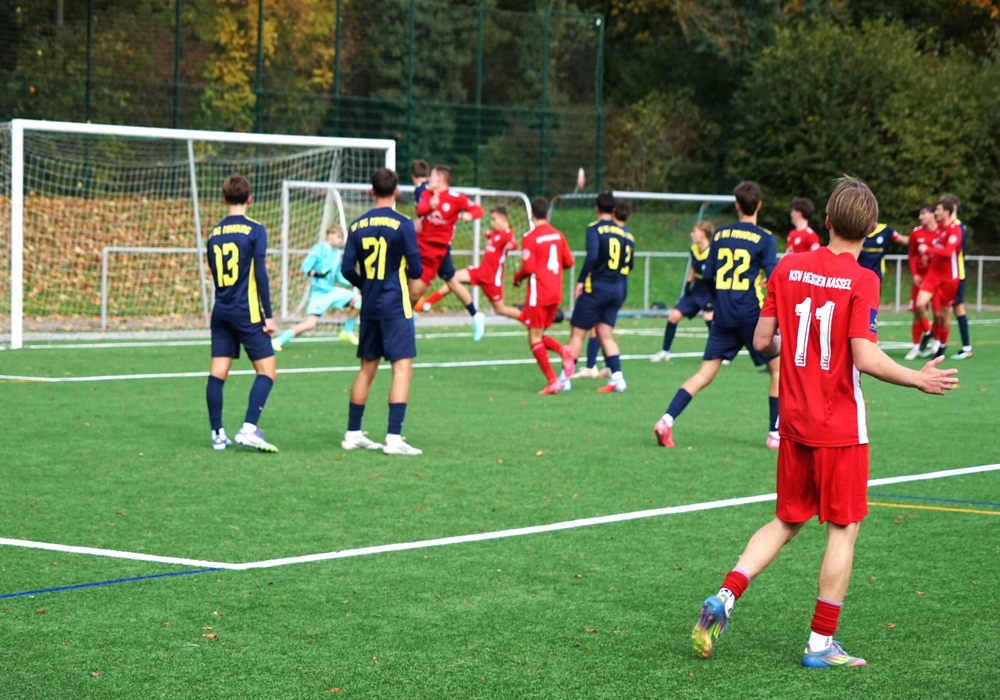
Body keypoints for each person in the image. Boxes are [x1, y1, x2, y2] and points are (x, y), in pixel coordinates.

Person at [690, 177, 957, 668]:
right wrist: (917, 379)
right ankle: (819, 644)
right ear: (870, 230)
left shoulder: (788, 266)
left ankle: (724, 596)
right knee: (843, 529)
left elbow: (763, 340)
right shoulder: (864, 279)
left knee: (786, 520)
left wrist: (798, 341)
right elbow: (865, 357)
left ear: (827, 221)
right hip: (839, 428)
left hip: (793, 422)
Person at [654, 181, 781, 449]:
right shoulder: (765, 238)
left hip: (723, 316)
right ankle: (774, 434)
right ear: (758, 205)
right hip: (751, 315)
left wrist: (719, 300)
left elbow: (708, 275)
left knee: (704, 374)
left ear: (736, 206)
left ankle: (666, 420)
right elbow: (773, 278)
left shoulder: (721, 234)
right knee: (778, 370)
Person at [340, 168, 423, 456]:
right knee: (402, 369)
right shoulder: (403, 224)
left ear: (371, 191)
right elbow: (417, 270)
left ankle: (352, 434)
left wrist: (366, 284)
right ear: (396, 191)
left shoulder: (357, 225)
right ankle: (394, 439)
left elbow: (346, 269)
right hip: (395, 305)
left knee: (367, 369)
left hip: (370, 306)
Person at [205, 173, 279, 452]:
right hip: (247, 312)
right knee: (267, 372)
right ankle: (248, 429)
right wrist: (268, 314)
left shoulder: (214, 233)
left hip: (221, 311)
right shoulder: (255, 229)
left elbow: (214, 271)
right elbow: (260, 274)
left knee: (217, 374)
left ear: (224, 199)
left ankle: (217, 435)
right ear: (250, 199)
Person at [561, 191, 634, 394]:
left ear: (596, 209)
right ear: (613, 210)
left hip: (597, 288)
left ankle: (564, 379)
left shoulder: (595, 229)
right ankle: (617, 378)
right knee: (605, 334)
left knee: (577, 334)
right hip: (616, 288)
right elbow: (628, 264)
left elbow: (592, 256)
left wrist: (581, 280)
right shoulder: (625, 234)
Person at [411, 165, 487, 341]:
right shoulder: (425, 192)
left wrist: (469, 216)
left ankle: (408, 313)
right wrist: (428, 207)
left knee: (434, 284)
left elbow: (478, 210)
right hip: (420, 247)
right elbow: (420, 209)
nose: (428, 179)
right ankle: (476, 315)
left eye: (432, 176)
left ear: (440, 179)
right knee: (450, 281)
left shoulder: (455, 198)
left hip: (438, 251)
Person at [512, 196, 575, 394]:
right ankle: (563, 351)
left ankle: (552, 380)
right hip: (555, 292)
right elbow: (569, 262)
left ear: (531, 214)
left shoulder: (530, 237)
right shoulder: (558, 235)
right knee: (537, 335)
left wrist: (517, 277)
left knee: (534, 339)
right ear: (547, 214)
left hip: (538, 293)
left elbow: (528, 267)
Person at [416, 206, 522, 320]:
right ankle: (427, 302)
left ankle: (526, 318)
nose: (491, 223)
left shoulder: (507, 234)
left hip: (491, 278)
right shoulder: (497, 233)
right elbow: (496, 241)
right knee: (453, 278)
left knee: (500, 309)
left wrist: (511, 246)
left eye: (494, 219)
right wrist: (488, 235)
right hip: (480, 271)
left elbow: (513, 243)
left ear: (503, 218)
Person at [272, 225, 360, 351]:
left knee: (359, 301)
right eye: (338, 237)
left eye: (341, 238)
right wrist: (316, 274)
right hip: (319, 293)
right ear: (329, 235)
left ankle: (346, 331)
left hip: (332, 291)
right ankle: (278, 340)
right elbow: (305, 268)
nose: (340, 240)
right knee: (310, 324)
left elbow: (338, 276)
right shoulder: (318, 249)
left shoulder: (336, 253)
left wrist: (353, 282)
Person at [650, 220, 715, 363]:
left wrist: (713, 298)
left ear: (703, 234)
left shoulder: (713, 252)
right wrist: (688, 284)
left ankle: (718, 354)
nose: (692, 234)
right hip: (696, 290)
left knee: (709, 318)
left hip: (710, 291)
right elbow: (694, 266)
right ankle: (665, 352)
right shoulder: (694, 249)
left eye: (694, 231)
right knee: (673, 317)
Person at [916, 198, 963, 358]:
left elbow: (948, 252)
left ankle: (942, 344)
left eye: (938, 210)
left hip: (949, 277)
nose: (935, 213)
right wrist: (927, 255)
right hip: (933, 274)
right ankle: (928, 332)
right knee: (919, 304)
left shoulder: (954, 230)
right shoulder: (939, 229)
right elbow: (936, 249)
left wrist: (928, 250)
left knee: (943, 314)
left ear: (947, 212)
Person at [903, 205, 938, 360]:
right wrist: (915, 274)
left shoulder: (942, 232)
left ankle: (936, 345)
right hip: (921, 278)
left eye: (923, 214)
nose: (920, 217)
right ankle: (917, 347)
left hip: (936, 278)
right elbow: (911, 255)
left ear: (932, 214)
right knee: (918, 310)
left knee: (938, 313)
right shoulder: (916, 232)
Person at [942, 194, 973, 360]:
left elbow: (952, 250)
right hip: (946, 274)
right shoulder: (947, 226)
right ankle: (937, 343)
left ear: (951, 209)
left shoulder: (958, 227)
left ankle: (967, 347)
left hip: (957, 274)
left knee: (957, 308)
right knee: (943, 308)